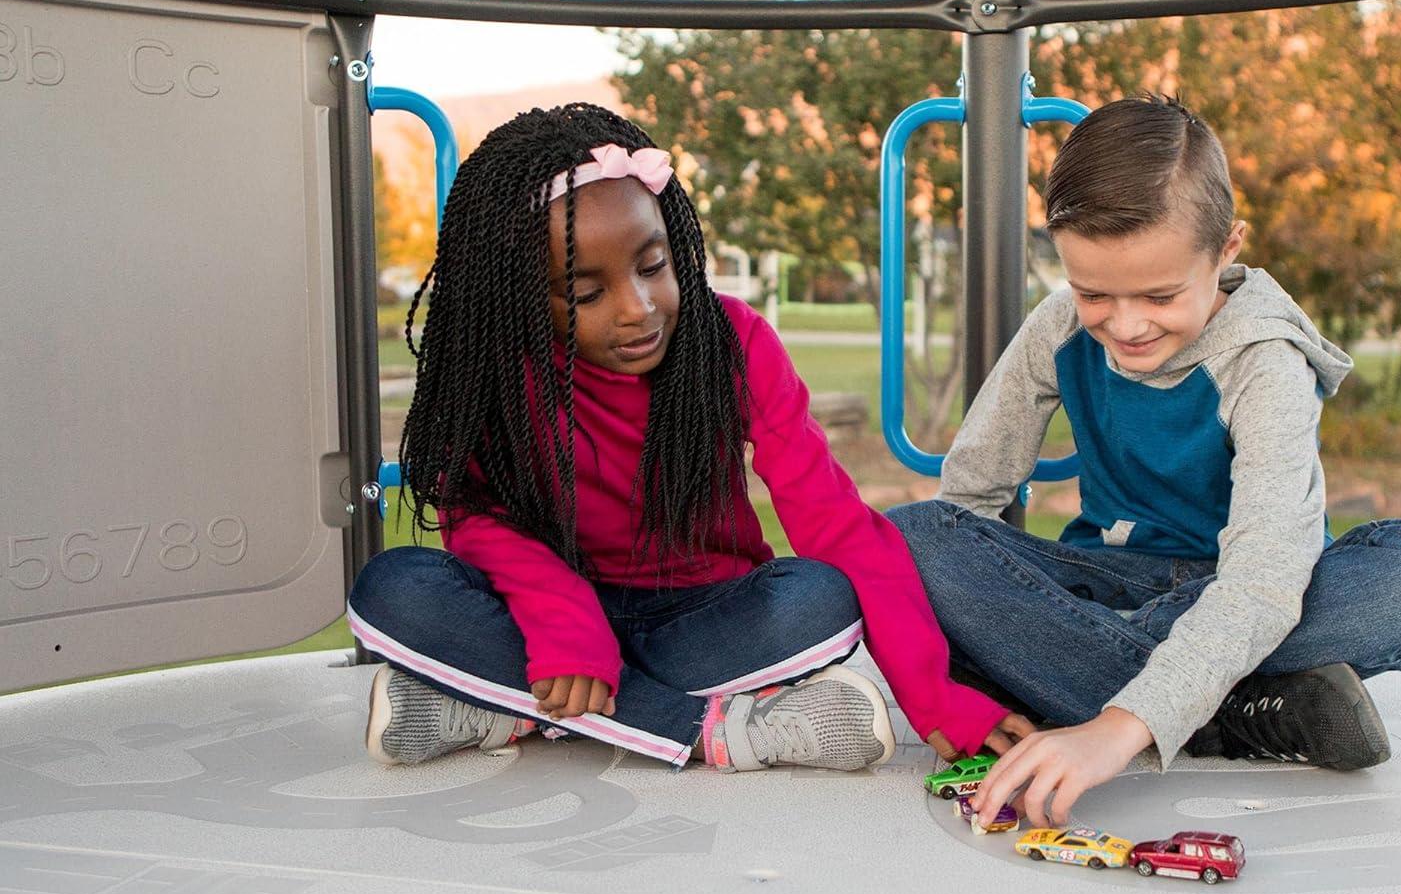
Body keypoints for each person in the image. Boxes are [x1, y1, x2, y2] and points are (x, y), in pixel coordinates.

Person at [347, 102, 1029, 774]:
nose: (637, 309)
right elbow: (477, 517)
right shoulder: (499, 374)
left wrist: (937, 699)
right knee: (393, 586)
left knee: (820, 598)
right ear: (523, 298)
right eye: (586, 294)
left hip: (702, 619)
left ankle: (518, 707)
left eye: (653, 266)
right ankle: (704, 730)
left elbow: (836, 524)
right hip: (547, 610)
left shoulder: (733, 341)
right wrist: (563, 614)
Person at [888, 94, 1401, 829]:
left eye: (1161, 295)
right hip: (1109, 585)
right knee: (912, 536)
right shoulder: (1057, 327)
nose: (1127, 324)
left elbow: (1265, 583)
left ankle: (1096, 693)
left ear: (1227, 248)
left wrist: (1112, 728)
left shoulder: (1265, 361)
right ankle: (1232, 710)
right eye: (1093, 292)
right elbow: (969, 500)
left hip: (1262, 594)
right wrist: (958, 612)